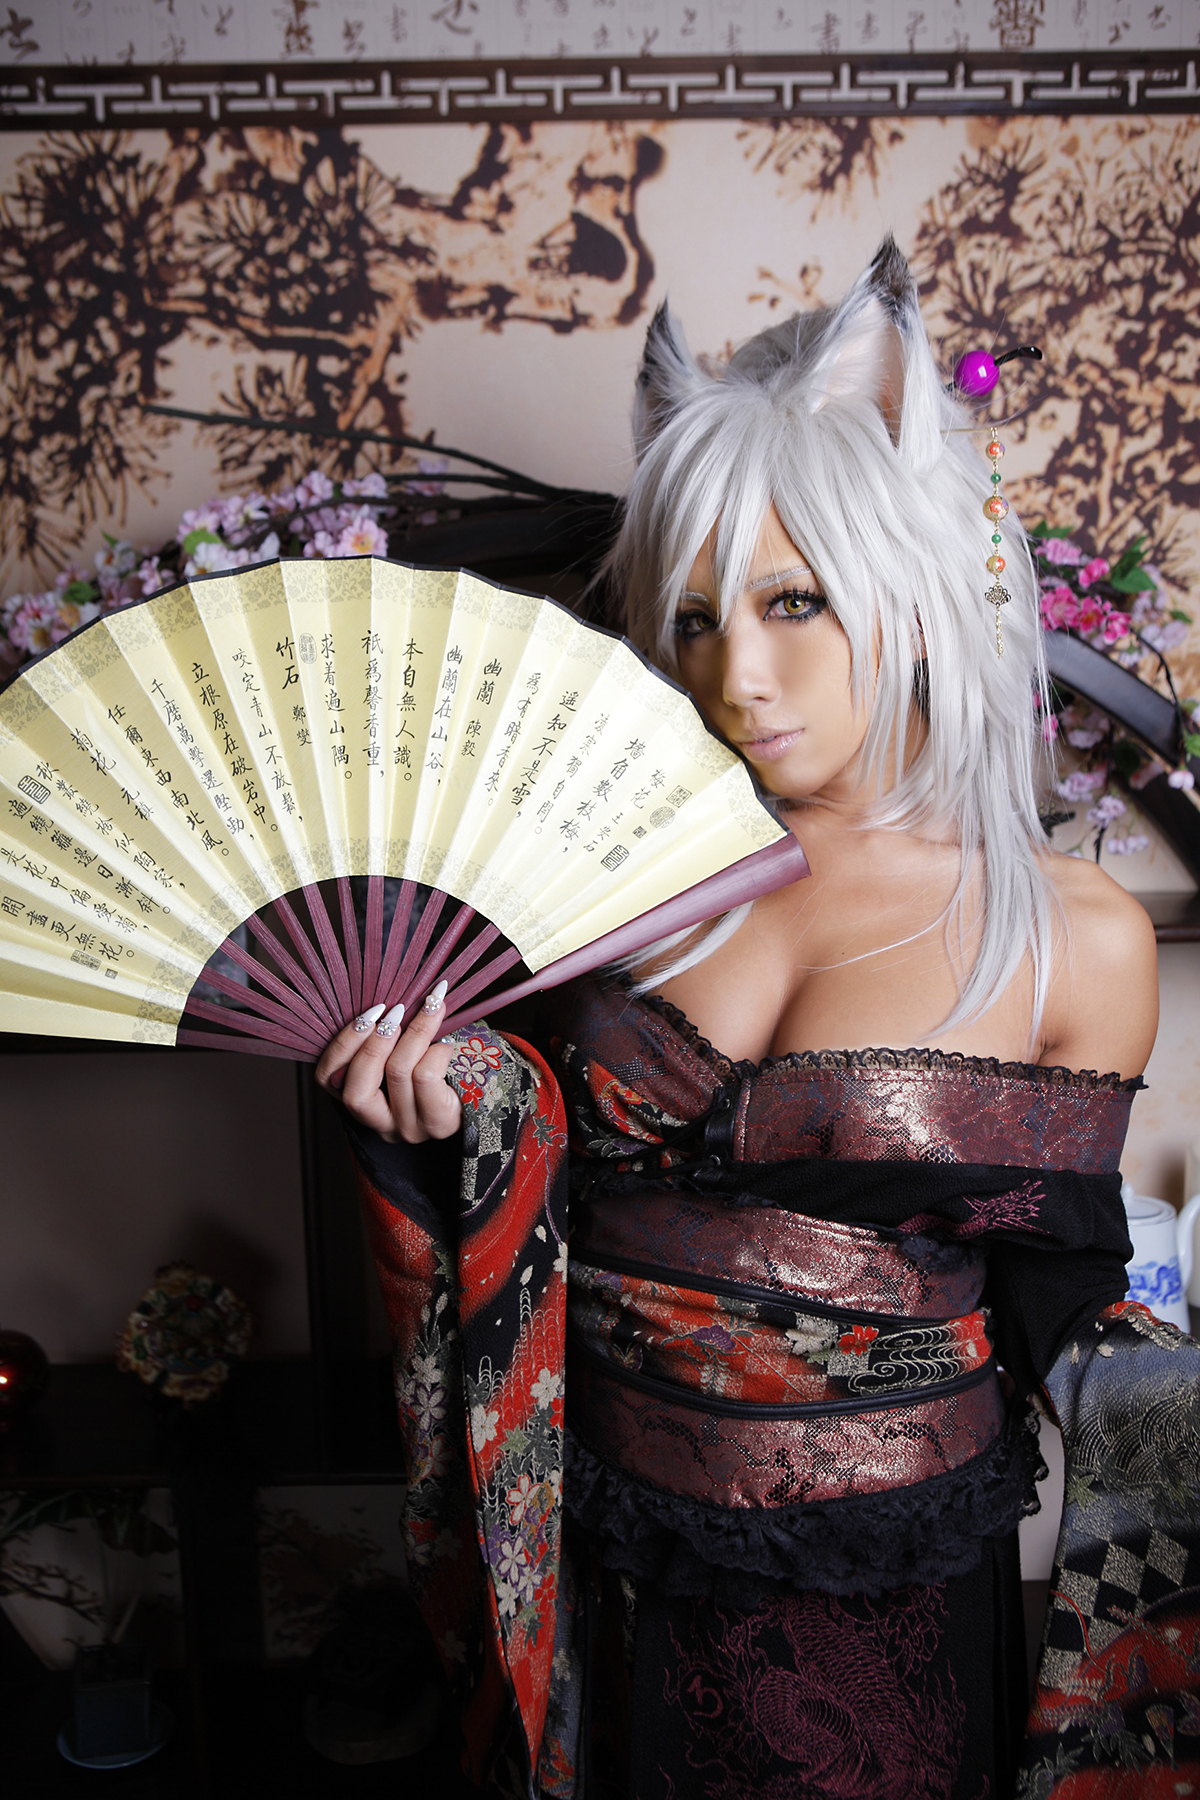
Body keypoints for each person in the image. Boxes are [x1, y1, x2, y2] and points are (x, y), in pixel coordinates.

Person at [316, 240, 1194, 1799]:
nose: (738, 675)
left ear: (911, 590)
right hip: (603, 1542)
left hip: (882, 1583)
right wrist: (443, 1108)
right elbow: (536, 1160)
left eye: (796, 602)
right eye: (700, 616)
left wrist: (1161, 1419)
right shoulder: (604, 884)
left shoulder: (1076, 937)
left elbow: (1052, 1279)